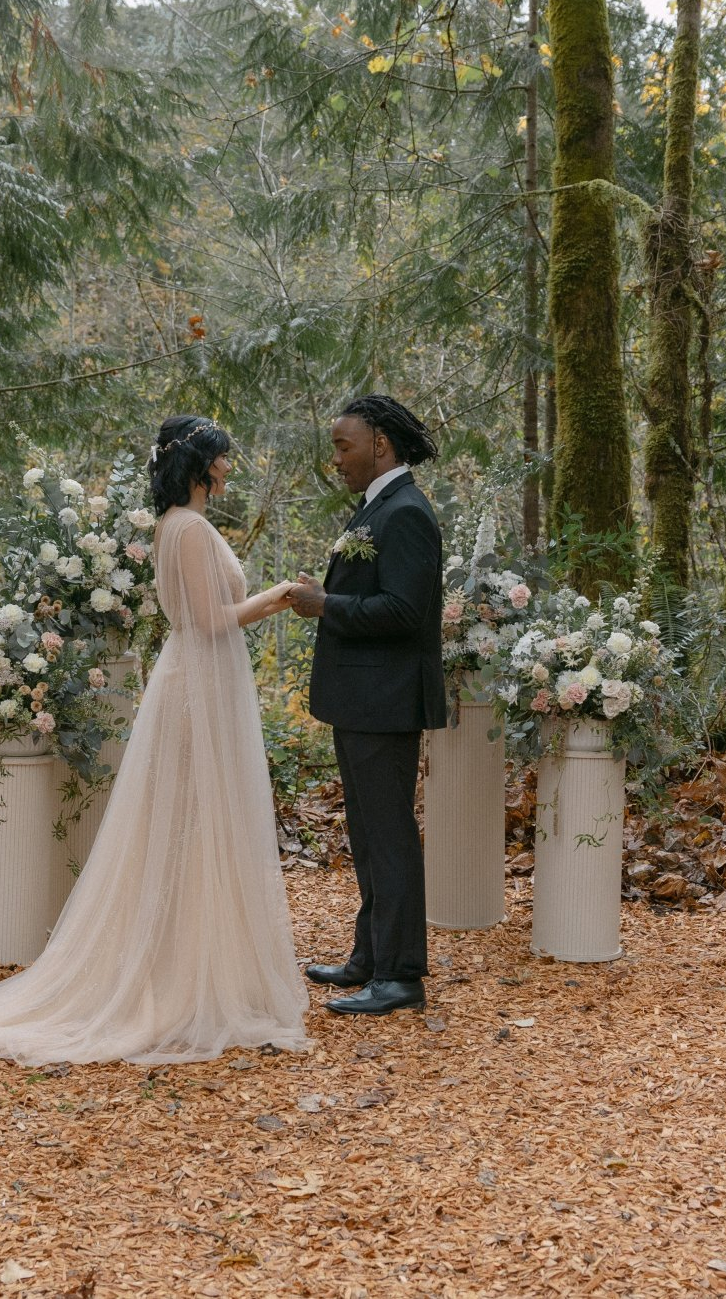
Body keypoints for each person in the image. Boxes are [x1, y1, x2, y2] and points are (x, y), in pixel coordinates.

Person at [0, 416, 313, 1065]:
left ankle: (198, 961)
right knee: (191, 821)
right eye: (223, 457)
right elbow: (207, 621)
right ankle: (180, 976)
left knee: (195, 824)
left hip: (200, 681)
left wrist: (271, 601)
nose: (230, 467)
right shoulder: (188, 529)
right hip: (197, 685)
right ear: (200, 465)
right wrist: (279, 595)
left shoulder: (179, 526)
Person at [288, 394, 447, 1016]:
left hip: (385, 702)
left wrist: (326, 604)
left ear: (380, 444)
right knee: (368, 833)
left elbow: (405, 611)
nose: (336, 459)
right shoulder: (379, 506)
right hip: (362, 701)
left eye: (343, 446)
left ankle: (401, 976)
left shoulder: (405, 512)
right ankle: (371, 956)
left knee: (389, 837)